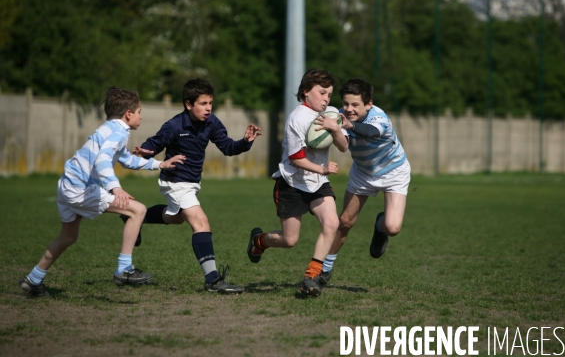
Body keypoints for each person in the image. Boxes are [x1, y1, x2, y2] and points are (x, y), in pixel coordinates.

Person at [19, 86, 186, 297]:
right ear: (128, 114)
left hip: (67, 185)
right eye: (139, 112)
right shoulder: (118, 132)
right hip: (80, 188)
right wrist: (115, 188)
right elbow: (102, 160)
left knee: (68, 237)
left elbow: (126, 159)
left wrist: (160, 165)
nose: (141, 116)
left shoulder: (109, 128)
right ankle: (124, 269)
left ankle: (33, 279)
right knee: (138, 210)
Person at [131, 78, 262, 294]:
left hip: (191, 183)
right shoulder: (175, 125)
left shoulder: (212, 123)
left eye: (210, 103)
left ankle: (135, 216)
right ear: (188, 104)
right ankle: (212, 279)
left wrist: (245, 141)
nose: (208, 108)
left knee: (175, 218)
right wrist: (145, 150)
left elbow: (228, 147)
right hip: (174, 181)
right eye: (203, 103)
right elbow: (154, 143)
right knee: (200, 222)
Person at [246, 68, 348, 297]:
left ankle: (311, 277)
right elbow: (296, 158)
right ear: (305, 91)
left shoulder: (331, 114)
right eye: (322, 92)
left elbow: (344, 146)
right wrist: (322, 168)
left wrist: (335, 129)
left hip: (318, 184)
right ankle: (259, 240)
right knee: (289, 239)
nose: (326, 99)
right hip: (292, 183)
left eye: (330, 95)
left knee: (332, 223)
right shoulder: (297, 118)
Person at [319, 78, 411, 286]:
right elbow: (344, 146)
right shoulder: (341, 118)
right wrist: (334, 129)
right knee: (345, 222)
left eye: (355, 105)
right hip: (363, 173)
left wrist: (348, 125)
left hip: (393, 172)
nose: (349, 109)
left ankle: (380, 226)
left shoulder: (380, 119)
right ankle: (324, 268)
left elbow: (369, 132)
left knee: (393, 227)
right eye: (345, 103)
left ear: (369, 104)